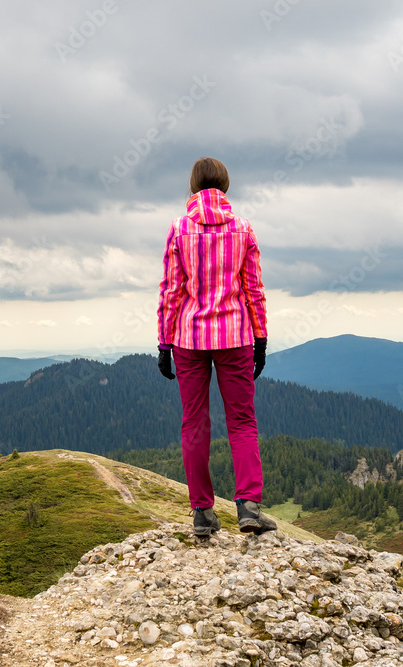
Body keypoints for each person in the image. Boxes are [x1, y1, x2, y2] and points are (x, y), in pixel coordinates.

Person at [156, 157, 277, 538]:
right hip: (236, 335)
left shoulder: (178, 229)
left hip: (189, 339)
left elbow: (171, 291)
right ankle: (249, 507)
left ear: (193, 186)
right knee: (242, 421)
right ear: (225, 185)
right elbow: (253, 289)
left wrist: (164, 341)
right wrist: (260, 337)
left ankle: (203, 514)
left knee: (194, 422)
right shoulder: (243, 229)